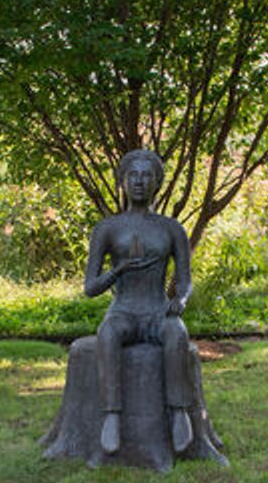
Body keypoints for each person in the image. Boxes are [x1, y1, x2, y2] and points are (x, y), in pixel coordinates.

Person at [83, 149, 195, 455]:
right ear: (122, 181)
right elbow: (90, 288)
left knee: (177, 333)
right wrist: (118, 269)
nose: (140, 182)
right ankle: (111, 415)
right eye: (133, 175)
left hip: (158, 309)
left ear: (157, 182)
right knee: (107, 334)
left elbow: (185, 280)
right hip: (124, 310)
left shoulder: (171, 229)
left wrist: (181, 299)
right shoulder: (108, 229)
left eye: (147, 176)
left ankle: (179, 412)